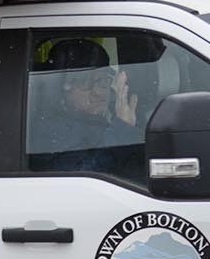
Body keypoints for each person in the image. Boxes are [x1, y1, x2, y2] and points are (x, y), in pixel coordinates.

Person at [30, 36, 142, 176]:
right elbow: (85, 177)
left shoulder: (121, 111)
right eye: (84, 82)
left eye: (103, 81)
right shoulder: (50, 131)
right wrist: (122, 129)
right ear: (63, 90)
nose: (97, 92)